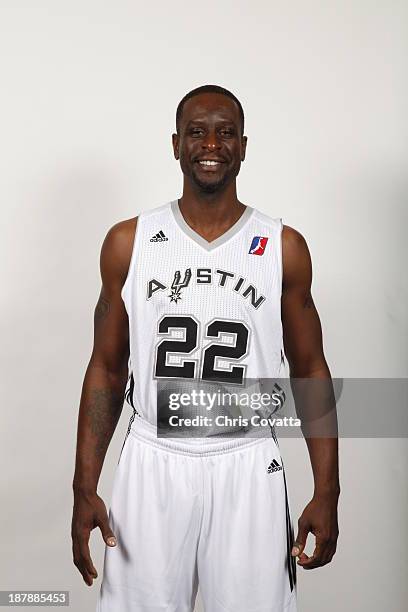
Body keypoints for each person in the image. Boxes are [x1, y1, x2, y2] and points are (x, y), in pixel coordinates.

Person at [71, 84, 340, 612]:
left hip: (247, 459)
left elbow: (310, 370)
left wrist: (327, 491)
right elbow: (105, 366)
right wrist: (84, 485)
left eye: (225, 132)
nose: (211, 144)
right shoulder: (129, 241)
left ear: (243, 145)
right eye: (197, 132)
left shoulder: (282, 247)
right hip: (153, 457)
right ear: (176, 144)